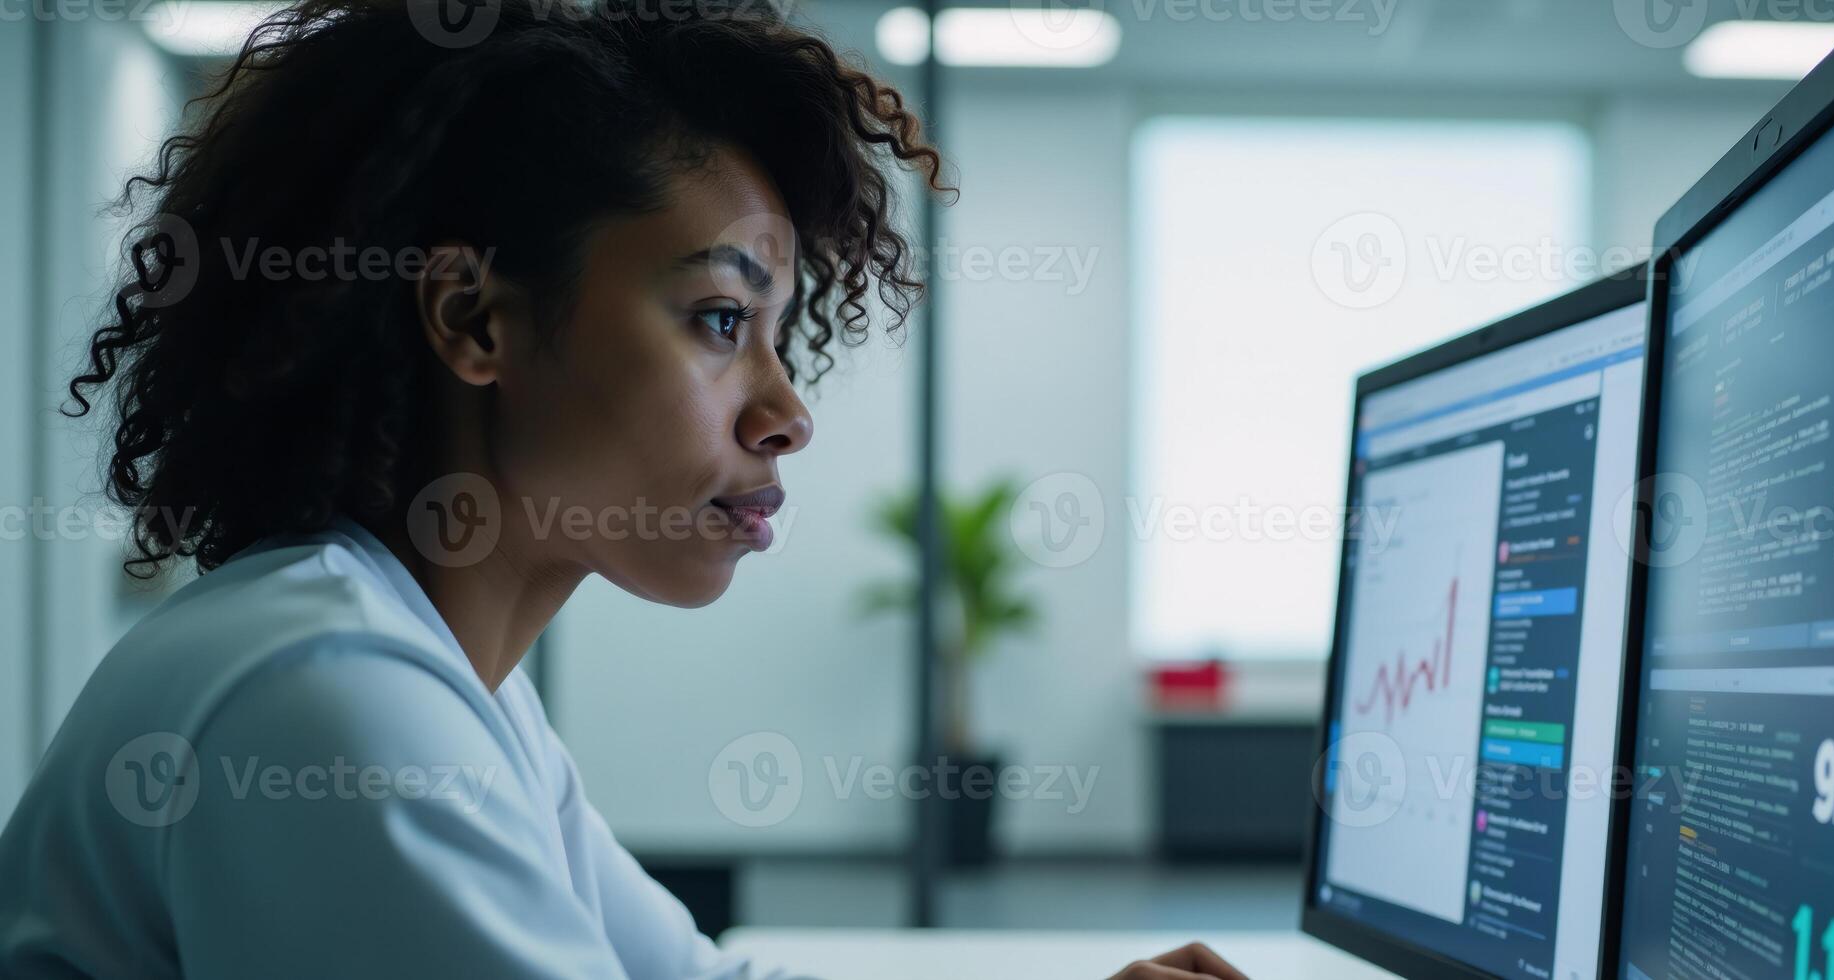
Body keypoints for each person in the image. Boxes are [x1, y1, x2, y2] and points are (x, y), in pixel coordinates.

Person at [0, 1, 1247, 977]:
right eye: (717, 317)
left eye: (777, 333)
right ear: (472, 318)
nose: (786, 411)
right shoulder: (324, 698)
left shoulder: (432, 678)